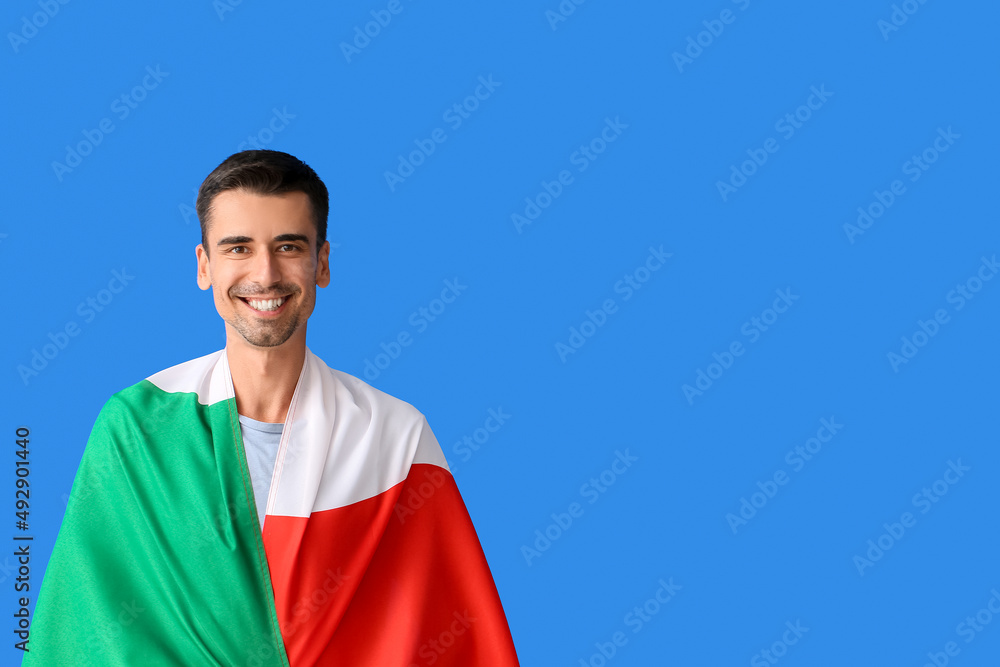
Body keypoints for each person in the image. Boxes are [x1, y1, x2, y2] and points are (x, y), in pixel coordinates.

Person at [26, 150, 520, 666]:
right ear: (204, 266)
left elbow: (452, 636)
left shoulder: (394, 438)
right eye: (238, 248)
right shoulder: (137, 427)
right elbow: (83, 629)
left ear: (322, 263)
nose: (265, 274)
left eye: (288, 246)